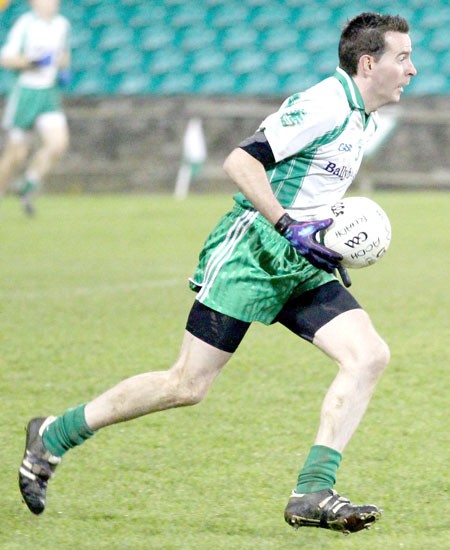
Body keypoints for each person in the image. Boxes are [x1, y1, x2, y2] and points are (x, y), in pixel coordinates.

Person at [18, 12, 416, 535]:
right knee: (187, 384)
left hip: (301, 261)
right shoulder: (324, 104)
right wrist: (288, 224)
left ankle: (312, 491)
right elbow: (239, 162)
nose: (411, 70)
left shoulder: (361, 113)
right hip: (251, 253)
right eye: (402, 58)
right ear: (369, 63)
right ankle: (53, 434)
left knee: (369, 356)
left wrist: (326, 238)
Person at [0, 0, 70, 216]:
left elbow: (63, 55)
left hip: (48, 93)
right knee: (17, 154)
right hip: (26, 93)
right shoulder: (25, 24)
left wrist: (63, 68)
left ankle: (28, 184)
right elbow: (6, 59)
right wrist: (34, 62)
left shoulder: (62, 24)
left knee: (58, 145)